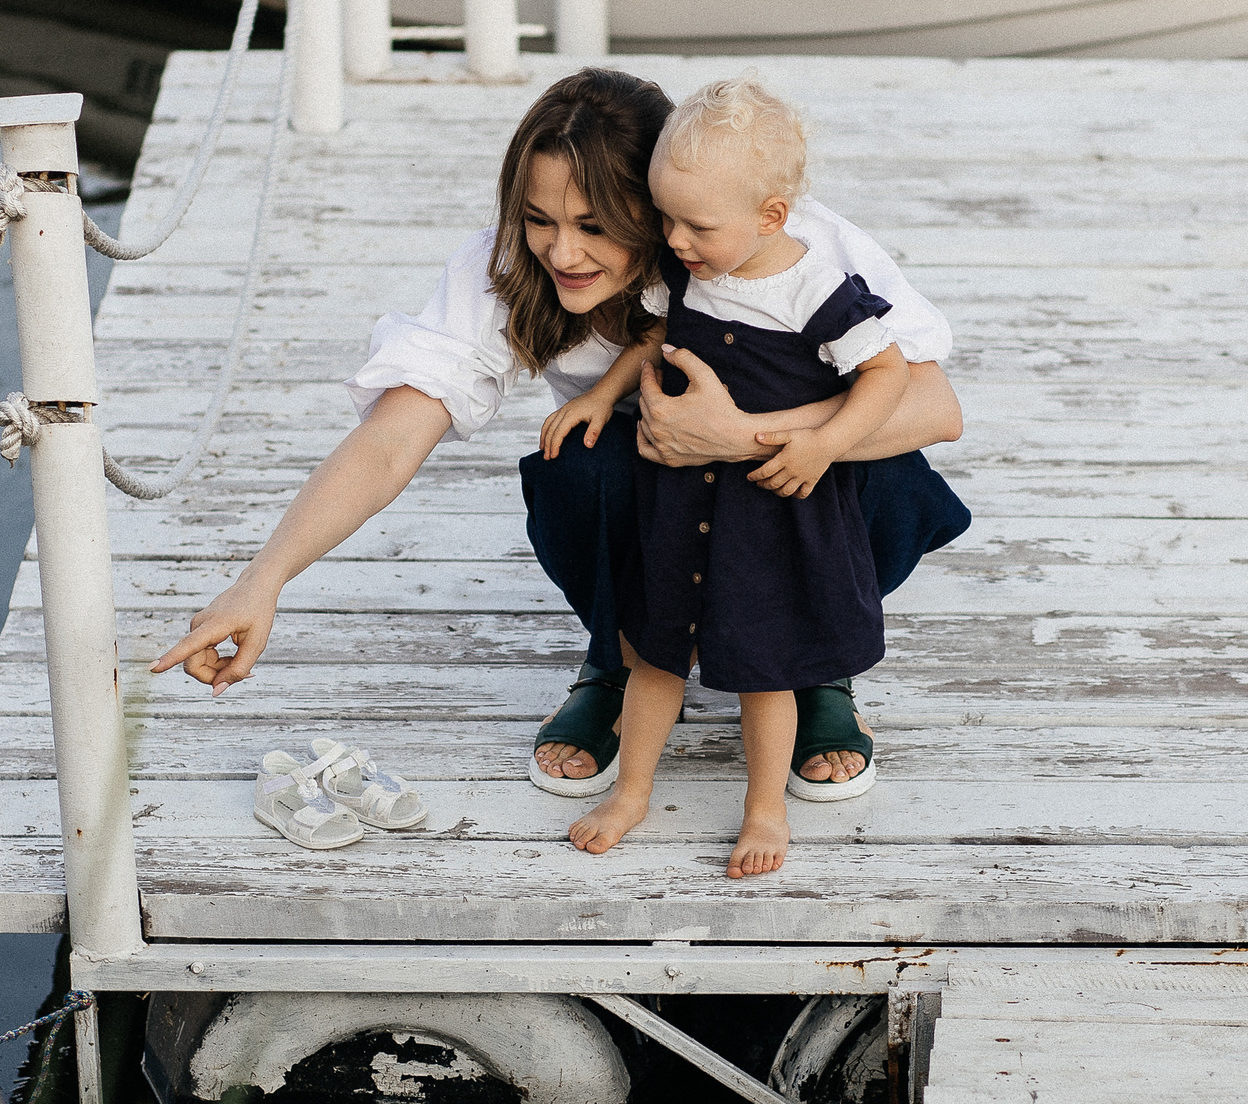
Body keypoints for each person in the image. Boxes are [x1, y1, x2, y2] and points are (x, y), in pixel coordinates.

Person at [150, 68, 971, 795]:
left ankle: (822, 668)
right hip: (666, 484)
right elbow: (392, 437)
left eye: (595, 223)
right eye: (541, 217)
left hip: (796, 483)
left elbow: (937, 408)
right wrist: (264, 579)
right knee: (577, 466)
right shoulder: (511, 269)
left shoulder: (785, 245)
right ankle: (617, 659)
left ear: (654, 210)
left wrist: (739, 434)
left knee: (890, 473)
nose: (562, 250)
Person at [563, 77, 909, 877]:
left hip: (771, 509)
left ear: (771, 216)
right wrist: (602, 395)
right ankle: (632, 791)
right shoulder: (689, 273)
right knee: (655, 651)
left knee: (764, 667)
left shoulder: (813, 286)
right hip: (681, 501)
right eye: (666, 218)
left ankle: (764, 808)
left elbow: (885, 376)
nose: (676, 239)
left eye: (698, 225)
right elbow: (652, 339)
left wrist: (824, 444)